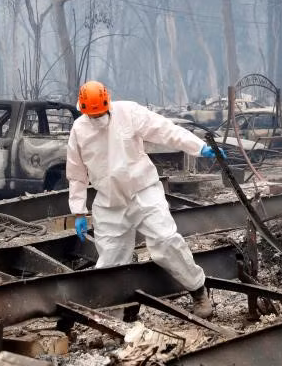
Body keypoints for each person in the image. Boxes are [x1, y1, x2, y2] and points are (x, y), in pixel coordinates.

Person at [66, 81, 224, 319]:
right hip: (110, 203)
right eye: (92, 114)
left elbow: (165, 130)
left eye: (100, 112)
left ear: (108, 104)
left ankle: (198, 290)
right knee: (109, 262)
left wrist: (199, 147)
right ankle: (115, 318)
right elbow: (76, 174)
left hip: (143, 191)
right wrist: (78, 212)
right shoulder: (79, 130)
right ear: (84, 110)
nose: (97, 117)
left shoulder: (128, 113)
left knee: (165, 241)